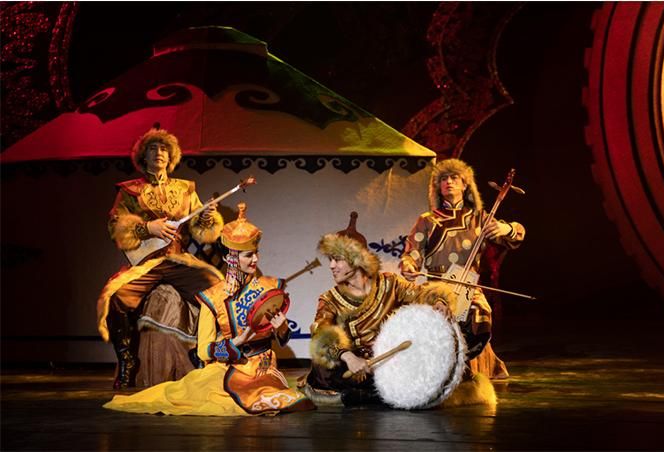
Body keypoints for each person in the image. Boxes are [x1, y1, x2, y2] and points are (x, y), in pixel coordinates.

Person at [103, 203, 315, 416]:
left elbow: (281, 339)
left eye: (256, 253)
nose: (255, 260)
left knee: (284, 400)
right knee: (208, 398)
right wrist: (236, 342)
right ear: (230, 258)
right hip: (230, 368)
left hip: (263, 368)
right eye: (248, 255)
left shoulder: (269, 286)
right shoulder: (213, 297)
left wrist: (282, 328)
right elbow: (204, 351)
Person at [300, 213, 496, 407]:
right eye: (330, 260)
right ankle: (372, 395)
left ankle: (367, 397)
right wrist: (349, 357)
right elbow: (321, 333)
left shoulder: (389, 283)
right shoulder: (330, 299)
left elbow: (420, 293)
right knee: (322, 366)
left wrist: (438, 300)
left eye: (337, 259)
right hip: (358, 367)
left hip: (391, 363)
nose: (331, 266)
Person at [97, 126, 224, 389]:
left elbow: (200, 227)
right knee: (117, 298)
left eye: (164, 148)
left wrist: (206, 216)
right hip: (148, 263)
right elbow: (115, 225)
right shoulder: (130, 191)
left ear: (171, 156)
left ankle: (208, 354)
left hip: (177, 260)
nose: (159, 153)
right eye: (153, 148)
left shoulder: (185, 188)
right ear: (143, 156)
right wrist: (147, 228)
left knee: (217, 290)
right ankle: (127, 361)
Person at [400, 158, 526, 379]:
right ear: (438, 186)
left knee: (480, 315)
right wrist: (409, 265)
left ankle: (461, 361)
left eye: (454, 178)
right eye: (443, 179)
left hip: (467, 284)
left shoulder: (478, 218)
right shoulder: (427, 220)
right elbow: (413, 253)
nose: (448, 182)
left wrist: (505, 229)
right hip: (436, 286)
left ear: (465, 184)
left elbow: (515, 236)